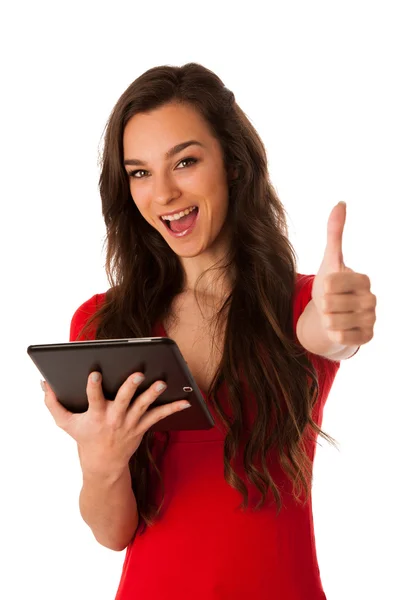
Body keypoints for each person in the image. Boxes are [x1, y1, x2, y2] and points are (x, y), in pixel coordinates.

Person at [42, 63, 376, 599]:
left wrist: (344, 321)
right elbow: (112, 532)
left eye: (186, 161)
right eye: (140, 172)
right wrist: (101, 461)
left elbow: (331, 333)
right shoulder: (103, 325)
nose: (165, 192)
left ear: (234, 165)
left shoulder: (296, 304)